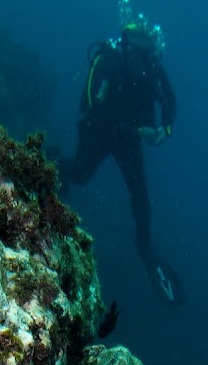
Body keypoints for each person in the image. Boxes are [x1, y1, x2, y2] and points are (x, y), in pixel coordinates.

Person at [56, 15, 183, 304]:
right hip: (99, 133)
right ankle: (53, 161)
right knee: (79, 174)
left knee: (140, 193)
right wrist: (136, 129)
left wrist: (165, 129)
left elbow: (170, 103)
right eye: (142, 53)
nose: (146, 60)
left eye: (150, 54)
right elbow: (89, 103)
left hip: (129, 140)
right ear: (129, 49)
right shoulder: (108, 61)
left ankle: (146, 250)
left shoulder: (153, 69)